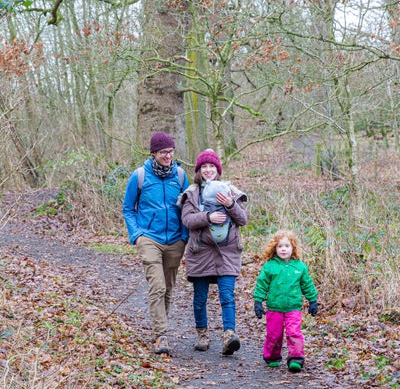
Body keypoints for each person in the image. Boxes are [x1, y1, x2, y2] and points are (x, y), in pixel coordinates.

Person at [122, 131, 189, 355]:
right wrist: (137, 235)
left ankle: (161, 329)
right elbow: (128, 209)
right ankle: (161, 335)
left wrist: (184, 237)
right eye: (163, 152)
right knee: (157, 286)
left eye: (170, 152)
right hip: (149, 238)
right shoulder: (139, 176)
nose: (168, 156)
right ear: (153, 153)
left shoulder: (179, 176)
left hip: (175, 241)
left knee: (168, 289)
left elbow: (190, 206)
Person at [179, 149, 248, 355]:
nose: (208, 170)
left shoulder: (230, 191)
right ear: (199, 170)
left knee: (227, 295)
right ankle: (202, 334)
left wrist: (230, 204)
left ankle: (229, 335)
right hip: (200, 253)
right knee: (200, 298)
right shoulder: (191, 193)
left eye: (212, 167)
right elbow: (188, 220)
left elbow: (242, 220)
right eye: (204, 167)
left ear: (218, 170)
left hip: (227, 253)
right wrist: (208, 217)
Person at [253, 229, 319, 372]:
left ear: (293, 248)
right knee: (274, 334)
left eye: (287, 246)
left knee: (294, 332)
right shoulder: (270, 266)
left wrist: (312, 300)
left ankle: (296, 358)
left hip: (293, 307)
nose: (283, 249)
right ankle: (272, 357)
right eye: (280, 246)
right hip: (274, 307)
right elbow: (262, 284)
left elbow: (307, 284)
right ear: (274, 248)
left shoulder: (300, 267)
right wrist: (258, 301)